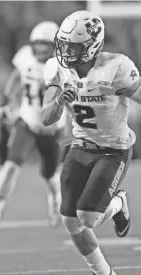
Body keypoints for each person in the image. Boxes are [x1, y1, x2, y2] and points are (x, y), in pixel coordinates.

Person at [41, 10, 141, 275]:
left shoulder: (116, 66)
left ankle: (117, 203)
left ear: (92, 45)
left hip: (113, 150)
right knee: (70, 221)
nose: (66, 51)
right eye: (64, 44)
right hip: (80, 145)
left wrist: (119, 91)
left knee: (88, 217)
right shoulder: (57, 69)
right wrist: (60, 100)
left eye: (73, 46)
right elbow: (45, 118)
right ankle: (105, 273)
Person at [0, 21, 66, 236]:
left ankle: (55, 198)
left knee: (50, 174)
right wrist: (6, 101)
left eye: (46, 44)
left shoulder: (62, 65)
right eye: (38, 44)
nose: (41, 49)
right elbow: (17, 76)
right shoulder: (25, 56)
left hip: (52, 128)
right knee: (10, 164)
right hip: (26, 121)